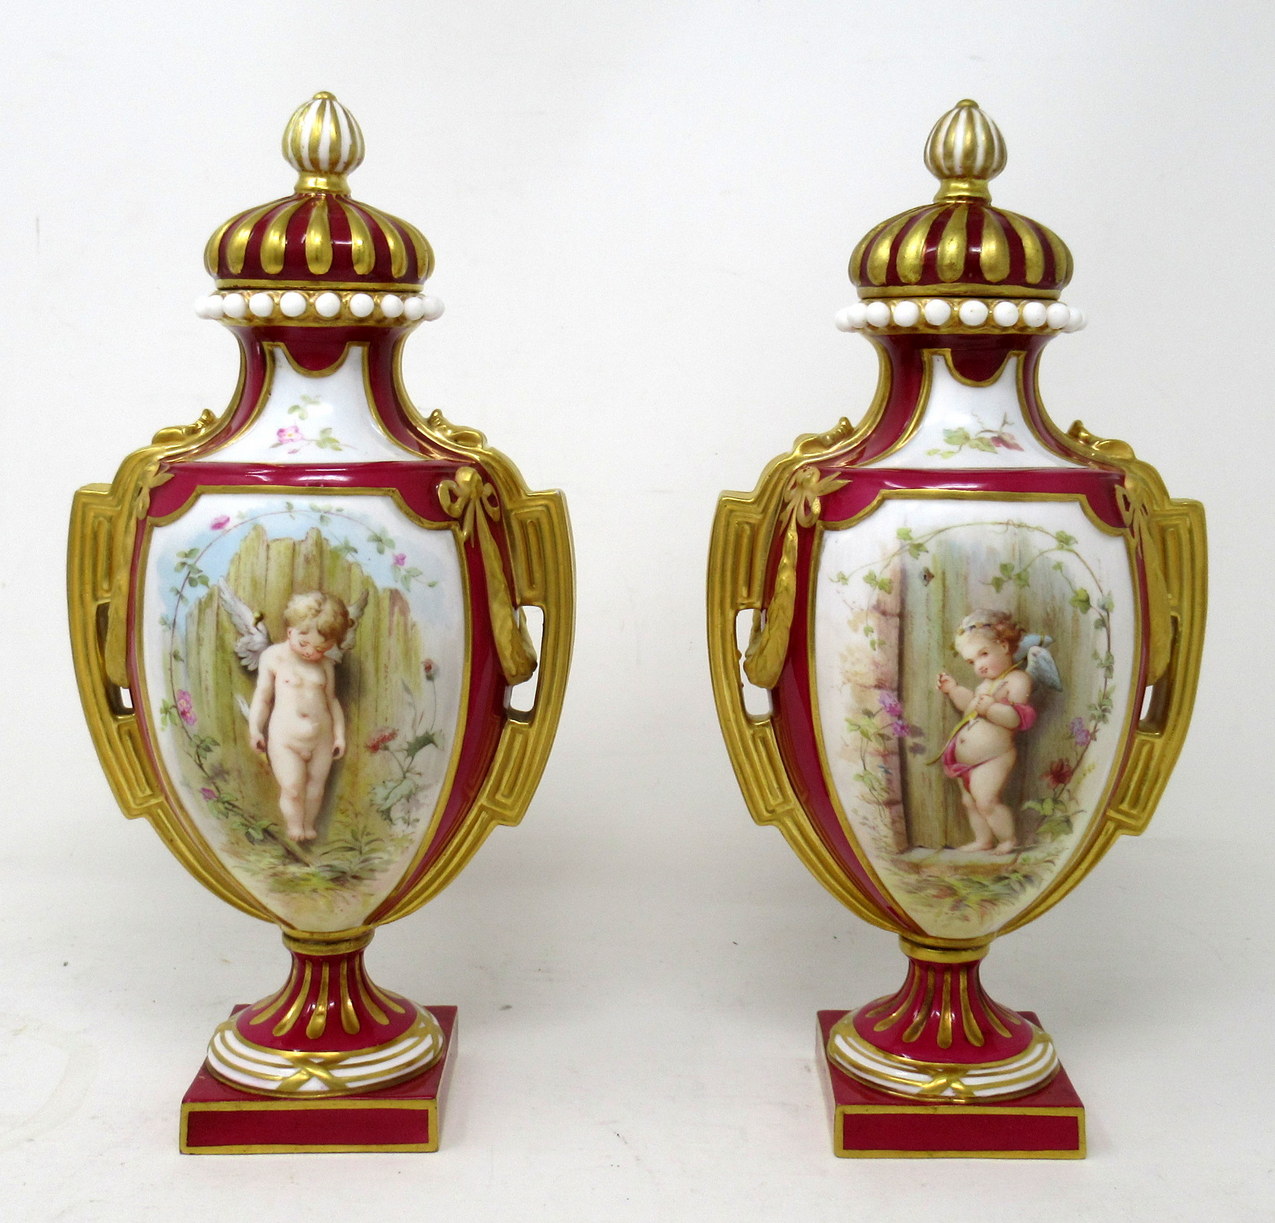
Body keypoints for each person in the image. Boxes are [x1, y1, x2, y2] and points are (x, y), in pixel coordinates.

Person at [247, 592, 350, 842]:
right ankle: (295, 827)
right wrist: (255, 729)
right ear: (291, 631)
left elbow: (331, 701)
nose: (310, 652)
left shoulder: (325, 665)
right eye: (304, 644)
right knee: (292, 789)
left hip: (321, 739)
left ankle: (308, 826)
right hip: (286, 739)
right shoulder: (273, 657)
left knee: (315, 790)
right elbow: (263, 697)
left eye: (321, 648)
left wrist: (339, 736)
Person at [935, 610, 1036, 855]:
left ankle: (1007, 840)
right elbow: (969, 706)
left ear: (1003, 646)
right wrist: (953, 690)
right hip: (965, 761)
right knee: (969, 802)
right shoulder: (985, 685)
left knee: (986, 800)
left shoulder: (1017, 679)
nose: (979, 666)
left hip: (994, 757)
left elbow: (1016, 719)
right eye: (972, 662)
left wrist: (991, 708)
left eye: (983, 654)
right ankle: (983, 840)